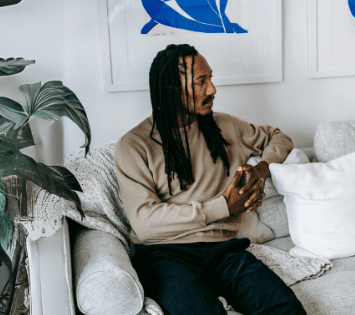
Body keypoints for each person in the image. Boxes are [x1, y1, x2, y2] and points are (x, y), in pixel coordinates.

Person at [115, 44, 306, 315]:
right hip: (166, 255)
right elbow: (144, 223)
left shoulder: (225, 126)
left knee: (287, 309)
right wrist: (225, 207)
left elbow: (279, 138)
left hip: (225, 249)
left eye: (211, 78)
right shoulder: (134, 146)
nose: (213, 89)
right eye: (201, 82)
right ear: (171, 89)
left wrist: (262, 169)